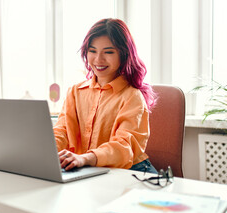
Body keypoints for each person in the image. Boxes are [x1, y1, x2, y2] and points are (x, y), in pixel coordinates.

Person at [53, 18, 158, 174]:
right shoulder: (75, 92)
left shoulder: (132, 96)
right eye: (92, 51)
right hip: (90, 169)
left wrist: (85, 158)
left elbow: (124, 146)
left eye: (108, 52)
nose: (98, 59)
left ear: (123, 54)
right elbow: (62, 132)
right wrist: (46, 151)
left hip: (132, 172)